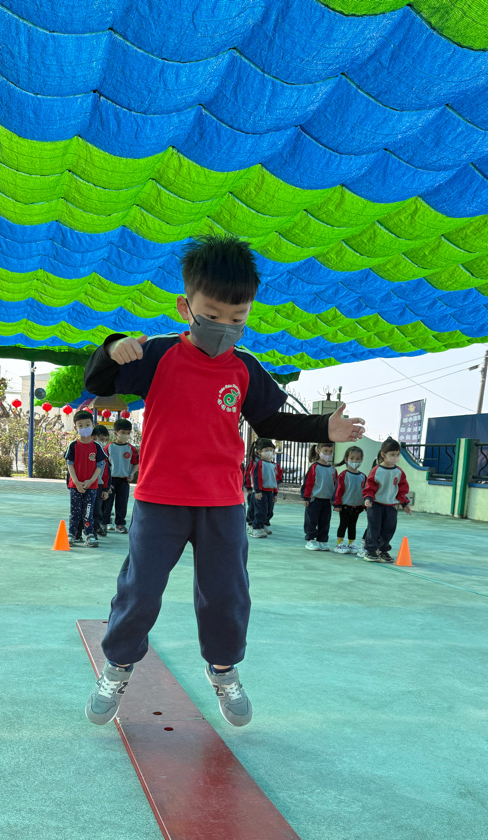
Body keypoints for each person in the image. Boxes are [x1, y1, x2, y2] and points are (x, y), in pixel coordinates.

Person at [82, 234, 365, 729]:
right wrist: (112, 349)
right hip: (159, 500)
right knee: (140, 589)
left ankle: (223, 670)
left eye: (238, 318)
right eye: (213, 315)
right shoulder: (158, 355)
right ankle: (118, 666)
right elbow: (98, 383)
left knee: (227, 593)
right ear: (185, 307)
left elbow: (271, 420)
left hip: (223, 503)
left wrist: (326, 429)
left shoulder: (245, 368)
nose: (225, 327)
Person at [363, 438, 411, 563]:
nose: (396, 457)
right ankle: (371, 550)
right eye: (392, 454)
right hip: (376, 505)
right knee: (374, 528)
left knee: (389, 528)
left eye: (397, 454)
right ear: (384, 455)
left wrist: (404, 503)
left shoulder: (399, 472)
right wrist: (368, 498)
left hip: (391, 506)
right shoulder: (377, 470)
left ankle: (383, 550)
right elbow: (370, 487)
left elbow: (401, 490)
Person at [64, 410, 107, 548]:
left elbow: (100, 465)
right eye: (80, 425)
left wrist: (91, 481)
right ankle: (72, 534)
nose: (84, 428)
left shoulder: (97, 446)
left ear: (93, 426)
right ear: (75, 427)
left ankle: (89, 535)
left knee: (88, 512)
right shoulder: (73, 446)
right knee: (75, 512)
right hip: (75, 486)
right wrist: (76, 482)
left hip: (92, 486)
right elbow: (70, 464)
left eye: (87, 425)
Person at [102, 419, 139, 534]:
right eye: (123, 432)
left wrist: (132, 473)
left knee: (122, 503)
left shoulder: (131, 449)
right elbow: (103, 464)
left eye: (128, 433)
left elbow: (136, 463)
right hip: (110, 480)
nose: (126, 435)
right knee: (107, 502)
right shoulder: (109, 448)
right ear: (116, 433)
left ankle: (120, 524)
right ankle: (104, 523)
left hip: (124, 480)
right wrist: (105, 481)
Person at [301, 441, 337, 551]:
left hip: (327, 500)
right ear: (318, 450)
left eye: (330, 451)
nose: (328, 454)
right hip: (314, 499)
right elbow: (308, 483)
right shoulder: (314, 467)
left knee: (325, 521)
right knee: (311, 520)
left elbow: (335, 485)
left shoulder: (332, 469)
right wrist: (306, 497)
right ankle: (310, 540)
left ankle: (322, 540)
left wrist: (336, 500)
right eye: (325, 451)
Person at [332, 446, 366, 553]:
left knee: (353, 525)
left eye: (358, 459)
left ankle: (352, 543)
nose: (355, 461)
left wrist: (365, 504)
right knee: (343, 524)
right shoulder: (344, 475)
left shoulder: (363, 476)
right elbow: (338, 490)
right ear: (346, 459)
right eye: (352, 458)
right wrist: (337, 504)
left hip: (357, 507)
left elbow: (365, 492)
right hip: (345, 506)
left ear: (361, 460)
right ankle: (339, 544)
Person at [249, 439, 281, 538]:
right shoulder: (259, 464)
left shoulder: (273, 465)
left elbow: (275, 480)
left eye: (271, 450)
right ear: (259, 452)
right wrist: (257, 491)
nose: (269, 452)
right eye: (266, 450)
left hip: (270, 492)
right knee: (260, 511)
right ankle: (256, 528)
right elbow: (256, 478)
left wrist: (275, 493)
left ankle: (264, 524)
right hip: (261, 492)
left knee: (269, 511)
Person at [93, 423, 112, 537]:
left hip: (99, 486)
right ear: (94, 438)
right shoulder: (87, 452)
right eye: (101, 440)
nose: (103, 442)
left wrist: (106, 488)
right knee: (83, 508)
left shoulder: (104, 456)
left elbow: (106, 474)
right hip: (85, 485)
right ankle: (78, 530)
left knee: (97, 509)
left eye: (105, 440)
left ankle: (95, 528)